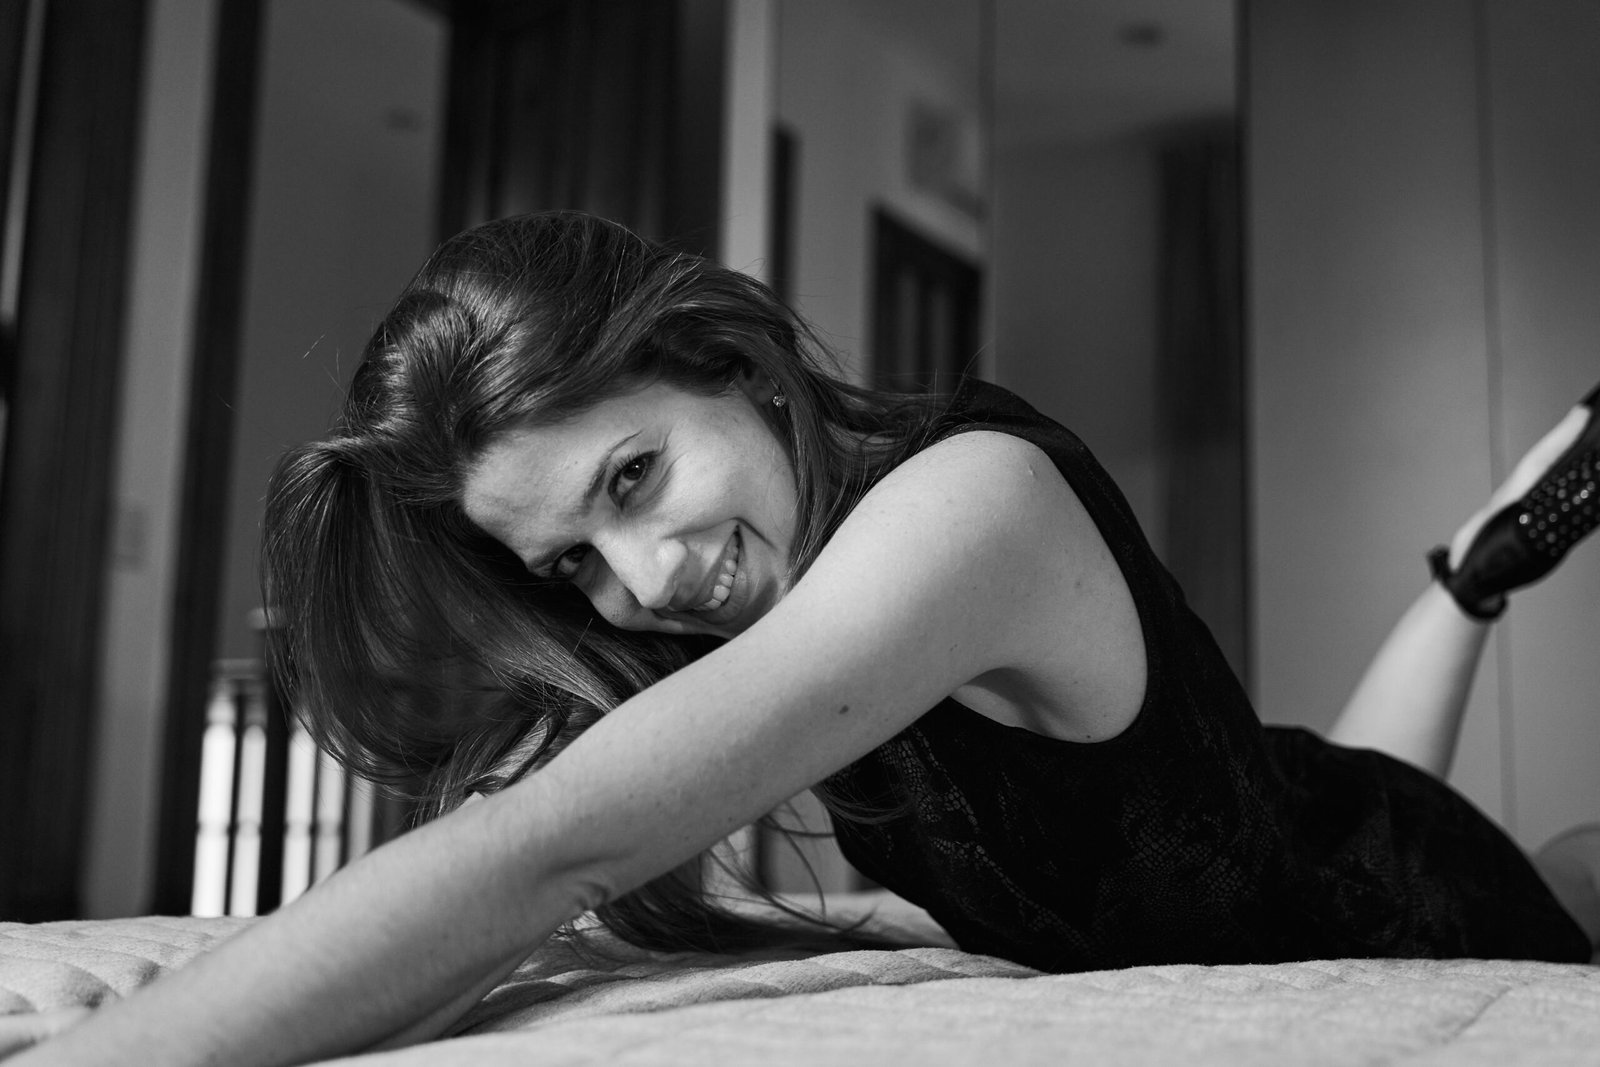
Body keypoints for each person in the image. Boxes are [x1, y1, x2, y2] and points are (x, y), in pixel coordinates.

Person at [10, 211, 1600, 1065]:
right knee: (1308, 792)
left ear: (724, 360)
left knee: (1469, 849)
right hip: (1302, 816)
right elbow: (511, 880)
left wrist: (128, 1051)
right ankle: (1477, 570)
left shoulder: (970, 508)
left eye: (634, 477)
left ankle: (1490, 574)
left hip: (1424, 888)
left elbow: (549, 849)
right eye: (572, 563)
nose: (646, 576)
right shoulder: (761, 591)